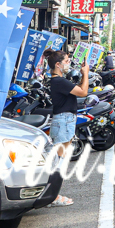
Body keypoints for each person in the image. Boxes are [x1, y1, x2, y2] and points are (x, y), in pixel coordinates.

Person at [47, 50, 88, 207]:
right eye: (66, 61)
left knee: (61, 160)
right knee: (59, 162)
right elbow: (83, 92)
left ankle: (52, 195)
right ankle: (52, 196)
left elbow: (77, 90)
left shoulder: (60, 81)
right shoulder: (59, 81)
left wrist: (84, 75)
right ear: (58, 64)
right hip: (63, 121)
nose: (68, 63)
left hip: (65, 121)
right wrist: (86, 72)